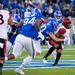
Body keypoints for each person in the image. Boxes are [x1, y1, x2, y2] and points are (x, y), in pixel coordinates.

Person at [0, 4, 17, 75]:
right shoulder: (5, 13)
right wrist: (9, 36)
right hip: (2, 38)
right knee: (1, 59)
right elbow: (13, 27)